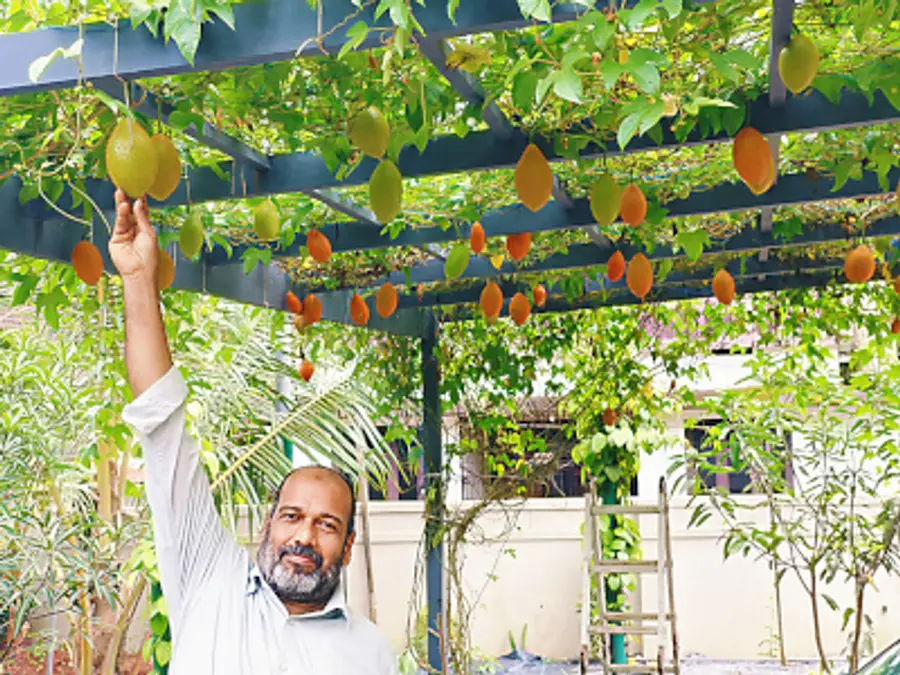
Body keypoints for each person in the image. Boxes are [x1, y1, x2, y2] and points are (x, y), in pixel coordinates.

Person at [110, 189, 398, 674]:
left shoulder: (371, 653)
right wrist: (139, 280)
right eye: (292, 516)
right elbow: (161, 421)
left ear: (348, 547)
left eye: (327, 525)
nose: (303, 536)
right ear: (268, 524)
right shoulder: (209, 580)